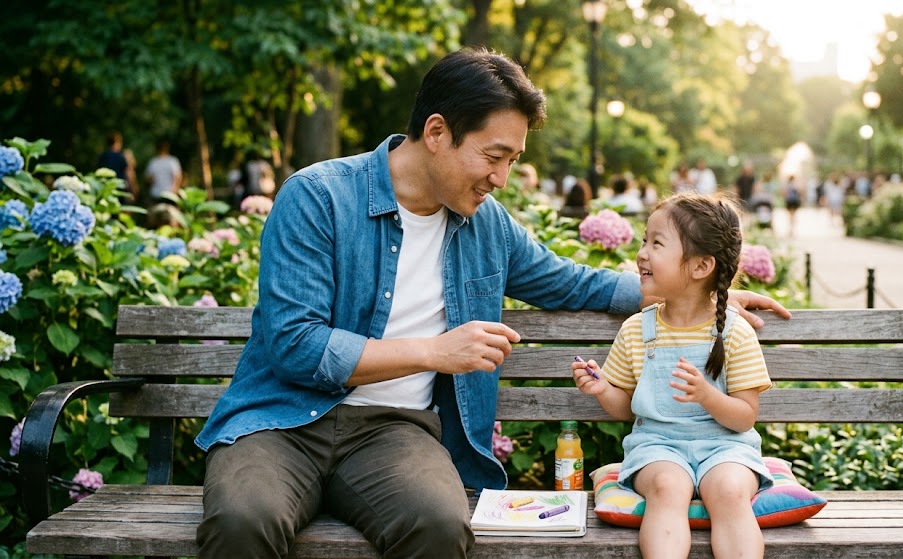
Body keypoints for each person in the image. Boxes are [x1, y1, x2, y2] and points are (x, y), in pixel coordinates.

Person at [193, 48, 789, 559]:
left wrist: (699, 292)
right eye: (493, 156)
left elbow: (570, 282)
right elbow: (296, 347)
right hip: (281, 421)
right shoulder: (318, 198)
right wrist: (434, 352)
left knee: (438, 524)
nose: (501, 177)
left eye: (512, 161)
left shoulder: (487, 225)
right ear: (436, 133)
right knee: (244, 520)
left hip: (393, 432)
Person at [572, 192, 773, 558]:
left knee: (729, 491)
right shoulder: (637, 329)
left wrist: (707, 396)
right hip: (657, 447)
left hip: (727, 448)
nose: (642, 253)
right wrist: (603, 390)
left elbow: (745, 417)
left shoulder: (734, 332)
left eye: (657, 243)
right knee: (667, 487)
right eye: (644, 241)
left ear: (700, 266)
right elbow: (626, 409)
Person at [96, 132, 138, 202]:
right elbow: (128, 173)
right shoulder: (121, 157)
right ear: (117, 142)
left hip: (104, 189)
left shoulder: (103, 156)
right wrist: (133, 188)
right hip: (119, 189)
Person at [143, 140, 182, 207]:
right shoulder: (172, 161)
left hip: (157, 194)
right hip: (169, 194)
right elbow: (178, 177)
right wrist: (175, 189)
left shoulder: (153, 162)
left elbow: (148, 179)